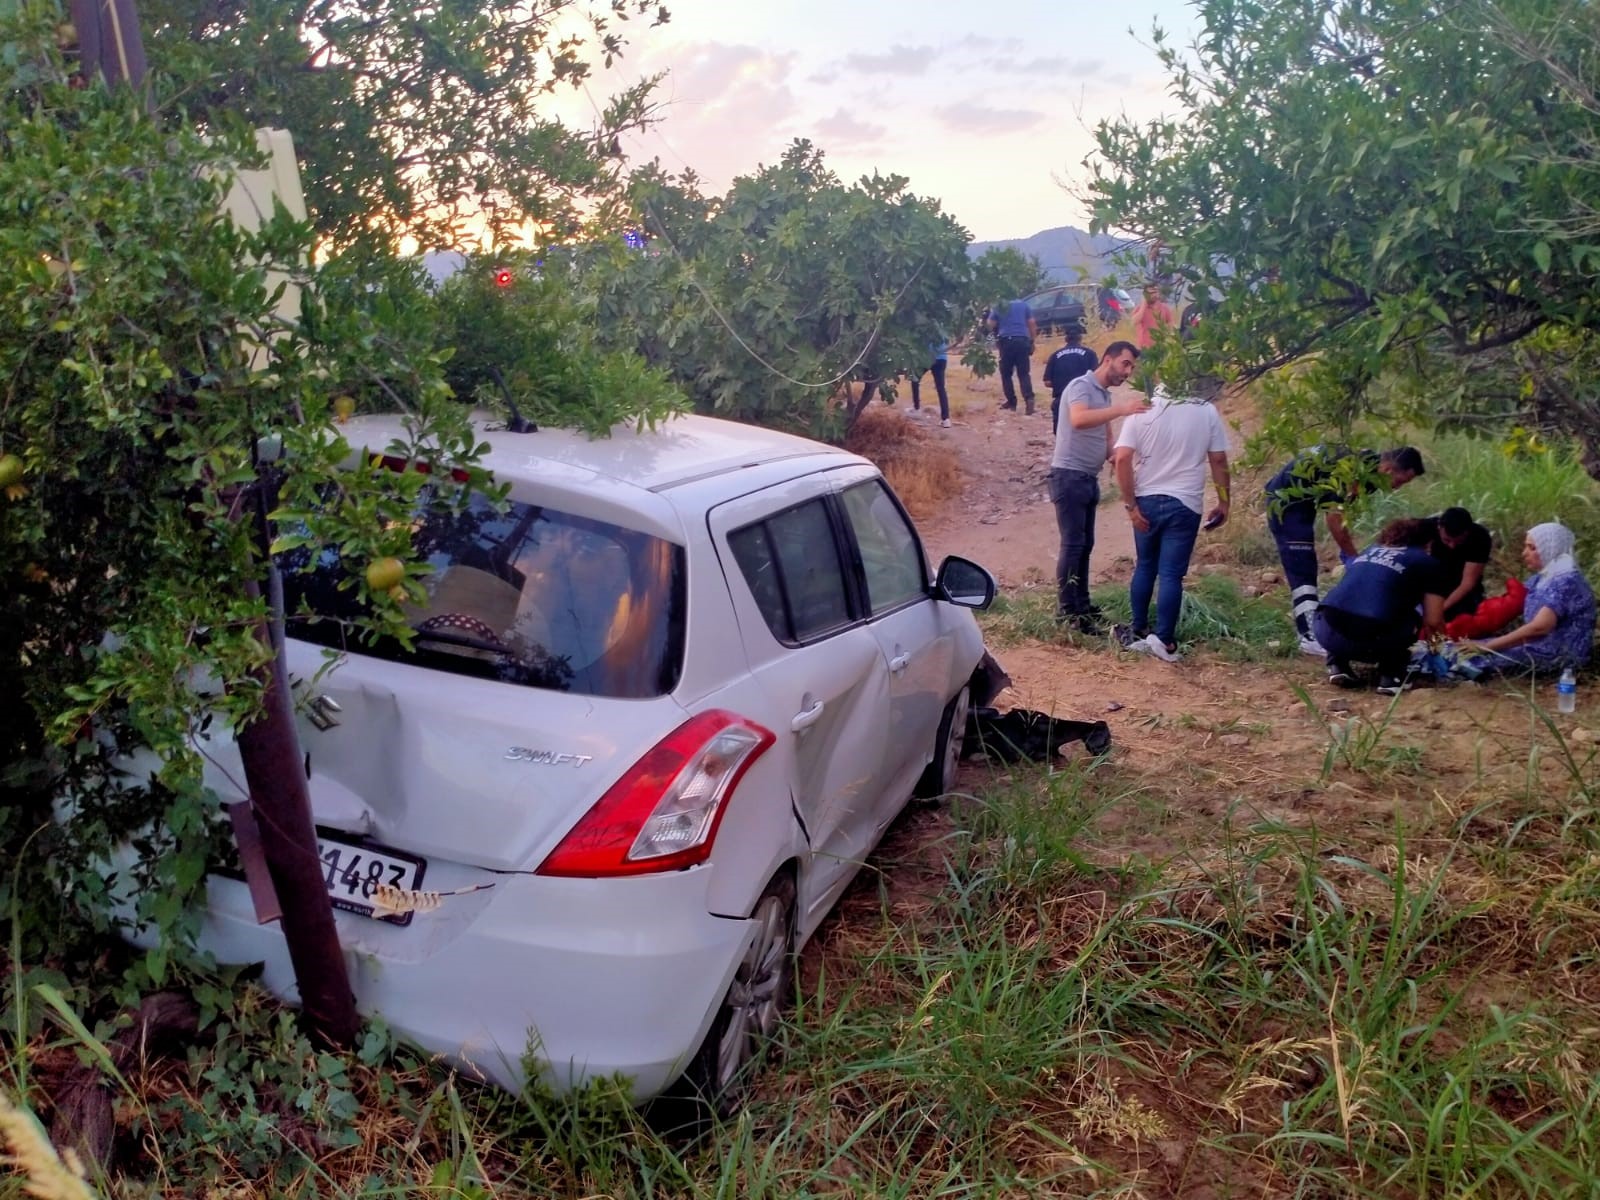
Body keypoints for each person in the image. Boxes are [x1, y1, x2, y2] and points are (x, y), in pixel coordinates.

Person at [1111, 377, 1232, 662]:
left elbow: (1123, 458)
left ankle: (1139, 627)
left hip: (1147, 501)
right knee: (1171, 574)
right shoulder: (1205, 410)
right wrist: (1224, 501)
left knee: (1145, 566)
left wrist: (1130, 505)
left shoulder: (1144, 409)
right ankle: (1164, 639)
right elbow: (1218, 460)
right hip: (1185, 503)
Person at [1264, 444, 1425, 656]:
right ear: (1388, 470)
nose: (1397, 488)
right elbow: (1333, 517)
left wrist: (1350, 552)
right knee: (1302, 567)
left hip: (1304, 502)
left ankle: (1313, 630)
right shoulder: (1350, 468)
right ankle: (1309, 636)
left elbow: (1343, 512)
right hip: (1285, 501)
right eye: (1400, 481)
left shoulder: (1367, 466)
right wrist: (1352, 556)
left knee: (1307, 565)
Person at [1048, 341, 1148, 632]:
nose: (1127, 372)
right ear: (1108, 360)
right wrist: (1121, 410)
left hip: (1086, 478)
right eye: (1125, 364)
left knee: (1085, 546)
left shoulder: (1103, 395)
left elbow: (1106, 442)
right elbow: (1078, 419)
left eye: (1131, 367)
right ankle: (1068, 613)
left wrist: (1121, 457)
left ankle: (1082, 606)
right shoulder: (1082, 386)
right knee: (1073, 545)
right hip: (1069, 476)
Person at [1315, 518, 1447, 695]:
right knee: (1412, 615)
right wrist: (1437, 649)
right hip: (1375, 641)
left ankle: (1337, 664)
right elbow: (1433, 619)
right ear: (1429, 543)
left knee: (1348, 605)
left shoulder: (1370, 551)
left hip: (1327, 632)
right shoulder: (1426, 562)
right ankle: (1392, 675)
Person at [1466, 522, 1595, 675]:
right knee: (1460, 648)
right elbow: (1513, 604)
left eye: (1532, 548)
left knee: (1471, 661)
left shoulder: (1566, 582)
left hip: (1556, 653)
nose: (1524, 553)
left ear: (1551, 549)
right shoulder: (1542, 578)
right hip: (1536, 646)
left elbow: (1540, 628)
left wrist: (1489, 646)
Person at [1427, 506, 1491, 619]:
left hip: (1462, 589)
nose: (1452, 546)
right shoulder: (1426, 529)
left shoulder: (1480, 537)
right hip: (1431, 582)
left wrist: (1438, 611)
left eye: (1459, 541)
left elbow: (1467, 583)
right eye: (1447, 540)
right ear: (1439, 527)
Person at [1043, 323, 1097, 433]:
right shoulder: (1089, 354)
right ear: (1080, 338)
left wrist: (1061, 382)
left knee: (1061, 435)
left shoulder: (1055, 355)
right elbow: (1096, 377)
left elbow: (1047, 382)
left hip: (1061, 400)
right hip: (1085, 401)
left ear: (1066, 338)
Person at [988, 298, 1038, 414]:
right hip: (1022, 340)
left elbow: (991, 324)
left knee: (1006, 373)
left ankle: (1011, 401)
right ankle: (1029, 399)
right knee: (1024, 373)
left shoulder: (998, 305)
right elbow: (1031, 323)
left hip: (1006, 341)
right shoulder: (1024, 305)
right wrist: (1032, 341)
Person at [909, 341, 952, 428]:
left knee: (915, 379)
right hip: (942, 358)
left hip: (927, 357)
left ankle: (916, 408)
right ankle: (946, 419)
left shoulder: (926, 326)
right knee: (941, 388)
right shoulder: (946, 328)